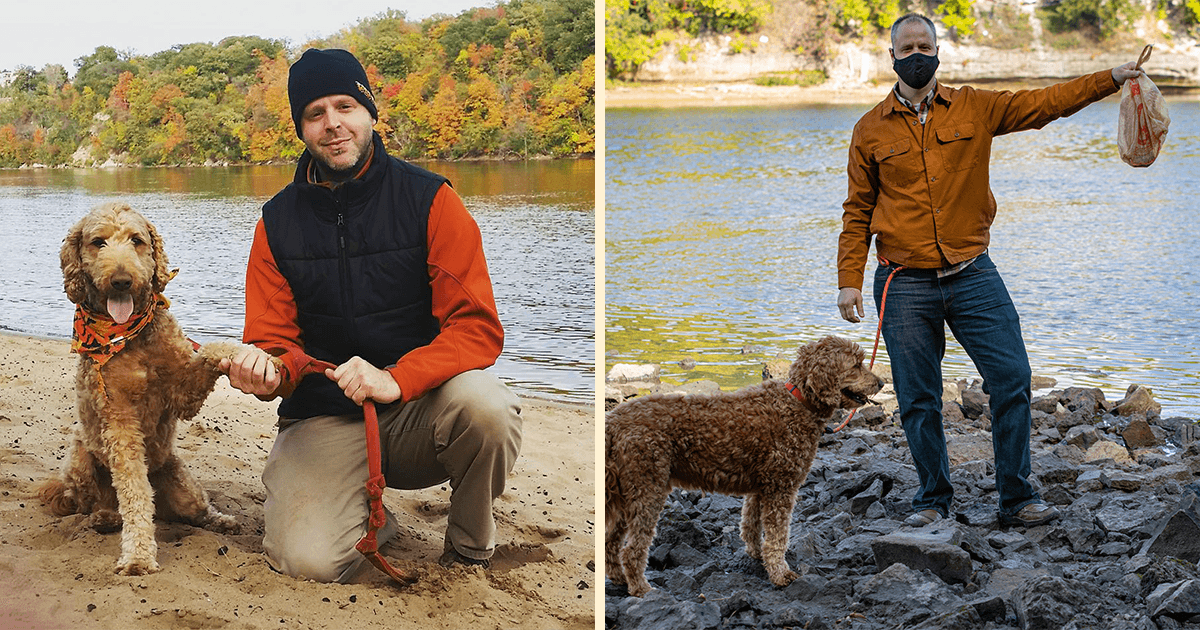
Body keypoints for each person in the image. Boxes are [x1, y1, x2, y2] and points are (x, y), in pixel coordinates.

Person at [221, 48, 522, 582]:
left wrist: (396, 379)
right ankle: (368, 520)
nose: (333, 124)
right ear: (301, 129)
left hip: (421, 409)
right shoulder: (275, 224)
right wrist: (268, 373)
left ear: (369, 111)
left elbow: (476, 328)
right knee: (307, 562)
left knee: (489, 409)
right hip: (324, 416)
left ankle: (469, 548)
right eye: (315, 113)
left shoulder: (432, 200)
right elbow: (271, 341)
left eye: (345, 106)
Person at [836, 14, 1143, 527]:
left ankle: (1017, 497)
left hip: (973, 274)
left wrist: (1110, 78)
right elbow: (857, 210)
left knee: (1012, 378)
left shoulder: (977, 107)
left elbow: (1044, 104)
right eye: (906, 47)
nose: (917, 53)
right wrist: (849, 279)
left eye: (924, 45)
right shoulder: (869, 128)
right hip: (902, 282)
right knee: (917, 398)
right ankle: (933, 499)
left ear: (938, 50)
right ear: (892, 56)